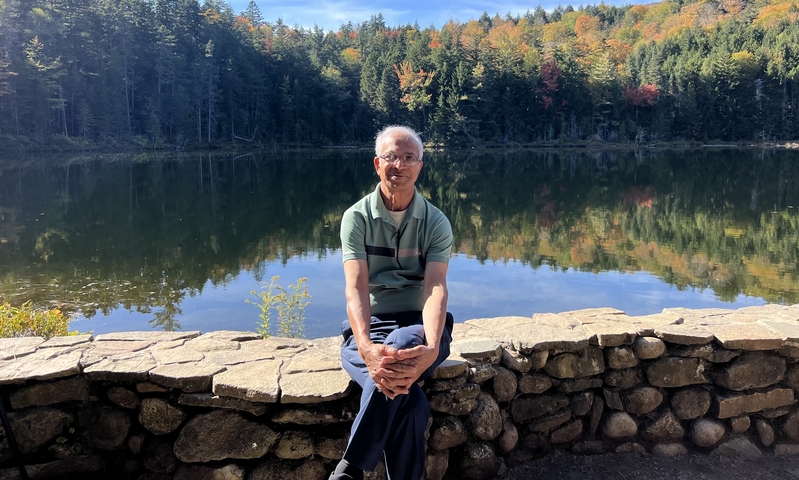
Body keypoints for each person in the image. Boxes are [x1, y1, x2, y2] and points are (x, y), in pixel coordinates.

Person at [331, 125, 454, 480]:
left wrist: (432, 345)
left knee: (402, 344)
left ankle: (349, 470)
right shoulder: (356, 218)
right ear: (376, 163)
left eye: (408, 158)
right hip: (370, 327)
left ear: (420, 166)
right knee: (409, 399)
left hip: (422, 326)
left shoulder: (435, 222)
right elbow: (355, 288)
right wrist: (367, 346)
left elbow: (435, 288)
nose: (399, 164)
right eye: (391, 157)